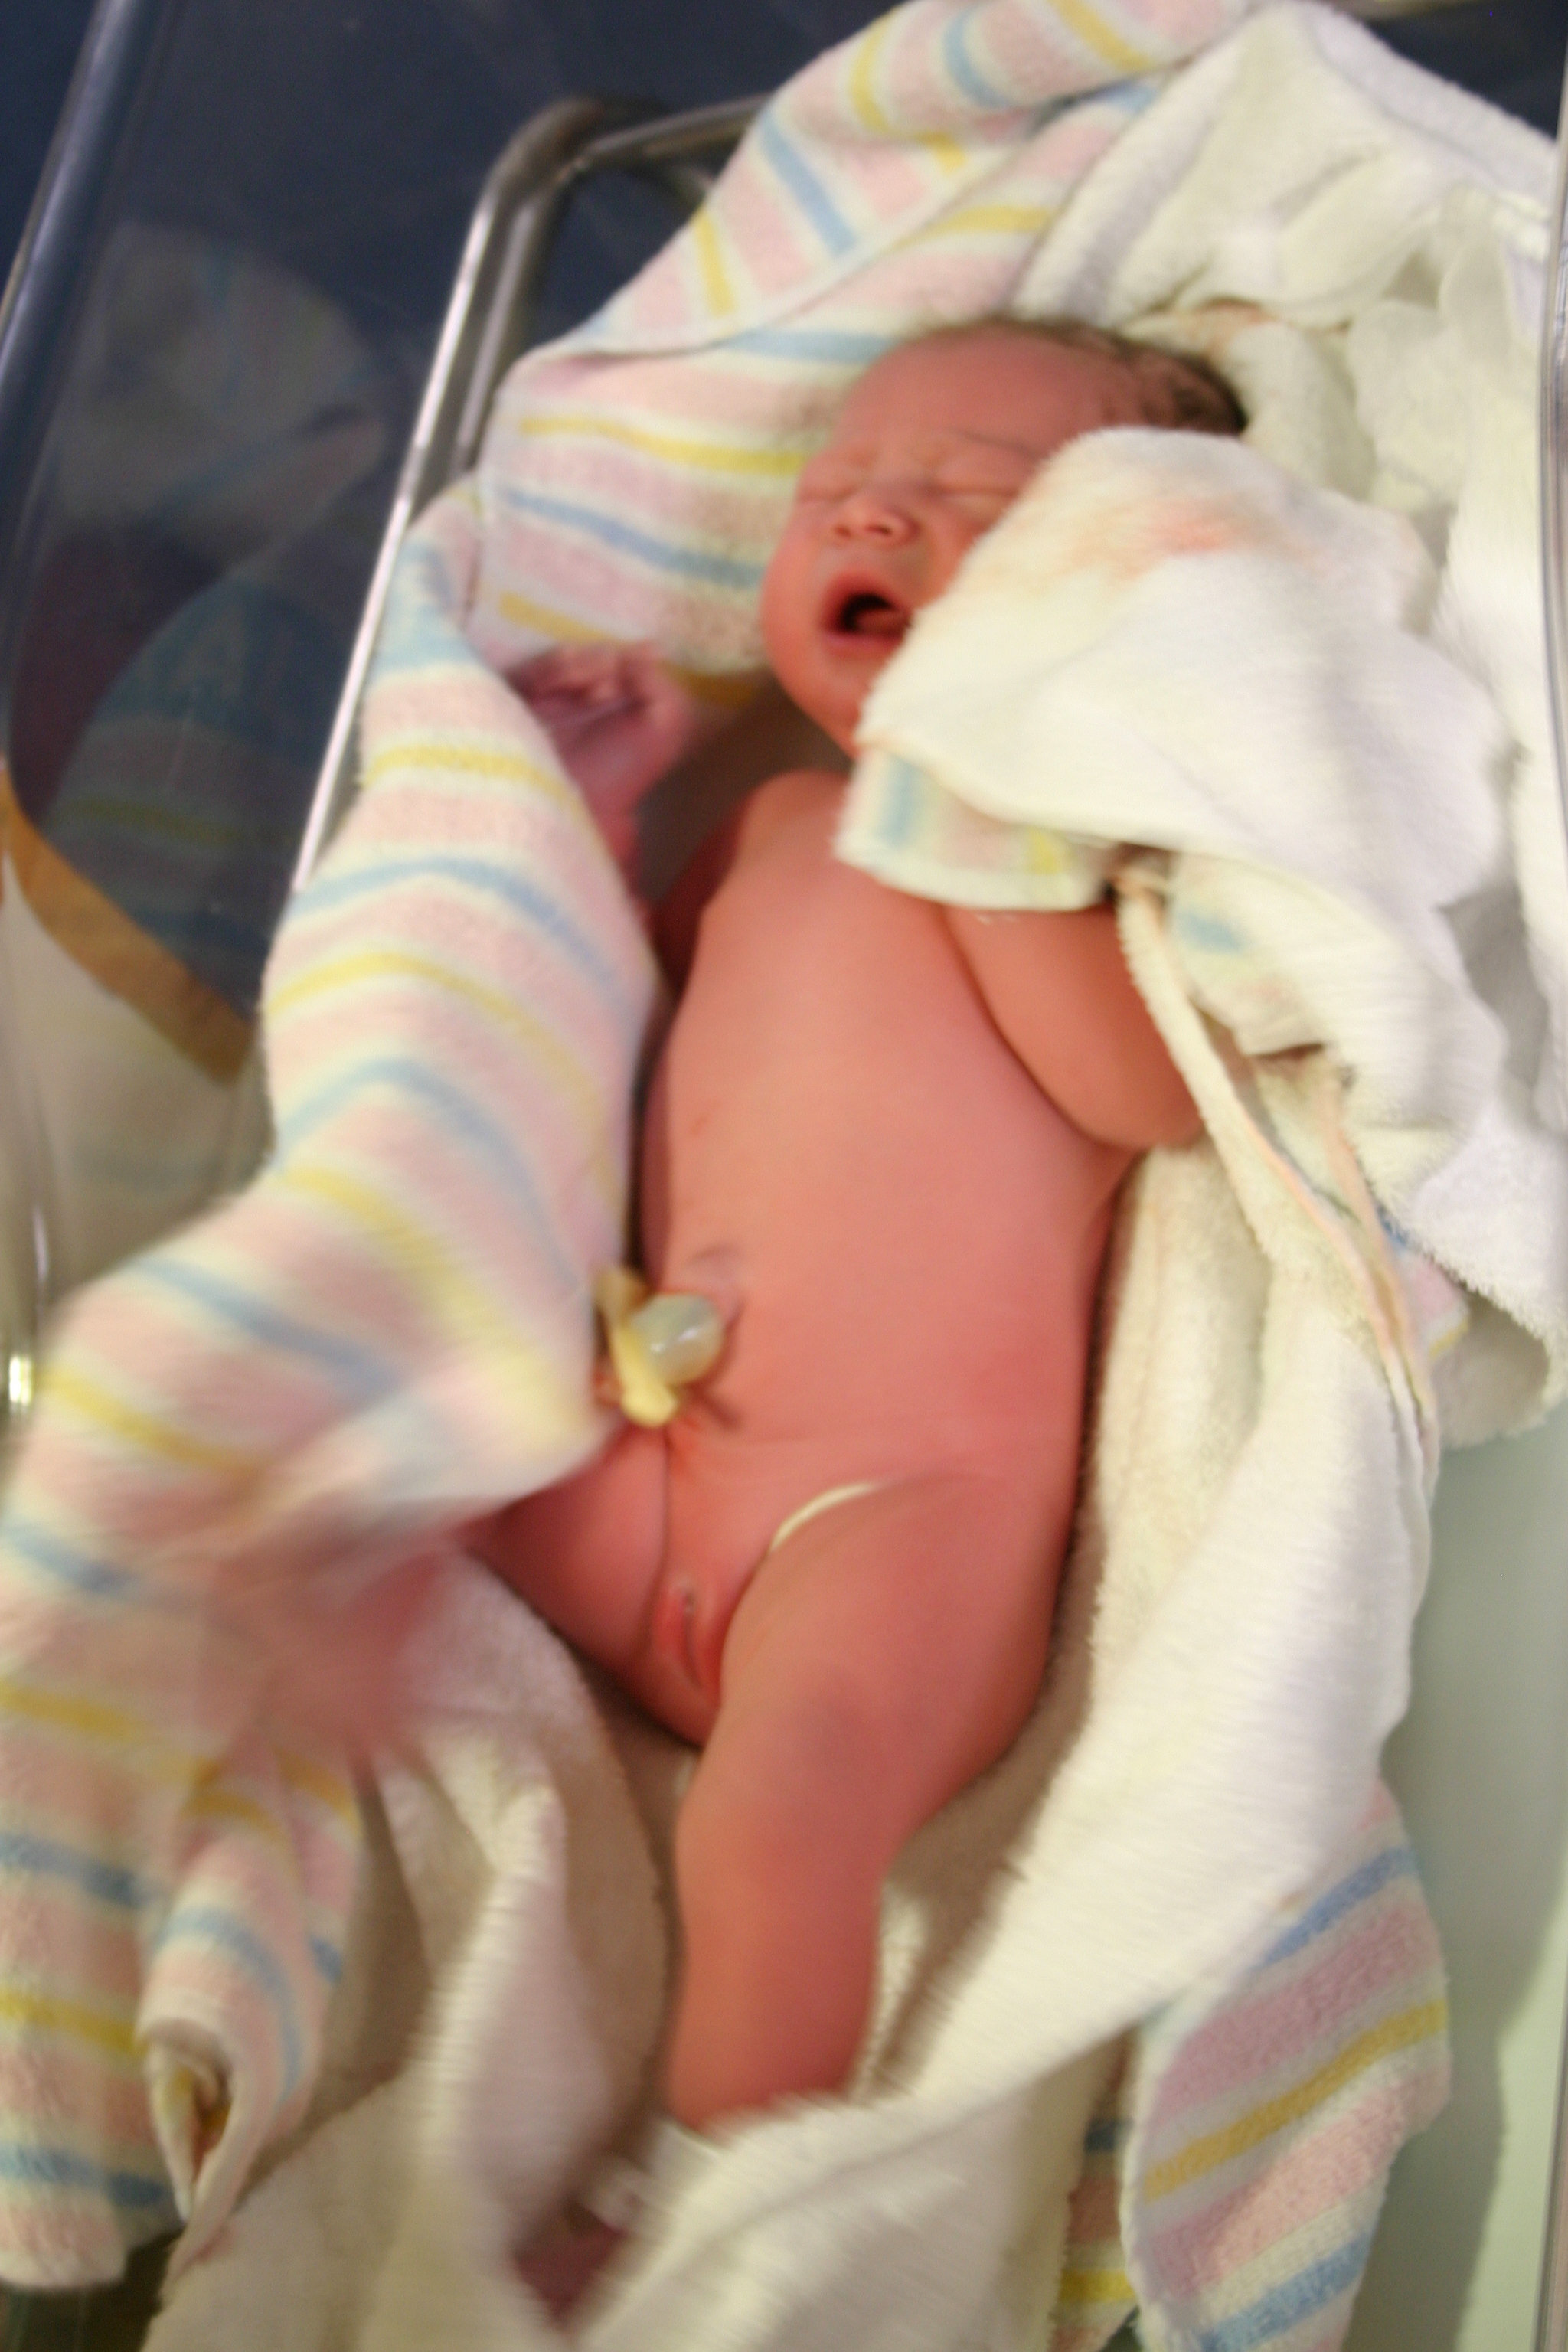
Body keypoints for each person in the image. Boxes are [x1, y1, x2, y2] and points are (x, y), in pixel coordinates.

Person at [476, 317, 1240, 2142]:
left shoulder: (1040, 860)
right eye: (839, 488)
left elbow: (1136, 1096)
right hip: (642, 1464)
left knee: (777, 1818)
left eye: (974, 492)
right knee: (381, 1452)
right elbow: (602, 1017)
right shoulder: (766, 823)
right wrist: (591, 817)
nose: (877, 513)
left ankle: (720, 2219)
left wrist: (966, 796)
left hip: (891, 1522)